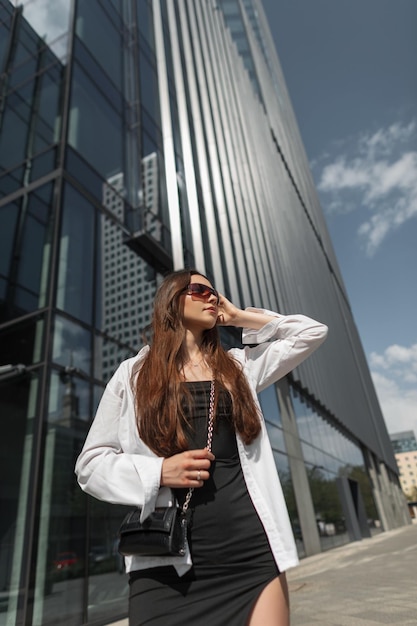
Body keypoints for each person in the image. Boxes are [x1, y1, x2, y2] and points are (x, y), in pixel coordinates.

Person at [75, 268, 328, 626]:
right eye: (199, 290)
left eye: (214, 293)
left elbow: (311, 332)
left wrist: (238, 317)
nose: (211, 297)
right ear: (171, 301)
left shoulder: (239, 367)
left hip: (251, 551)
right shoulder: (133, 375)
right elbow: (90, 465)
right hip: (165, 560)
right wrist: (159, 472)